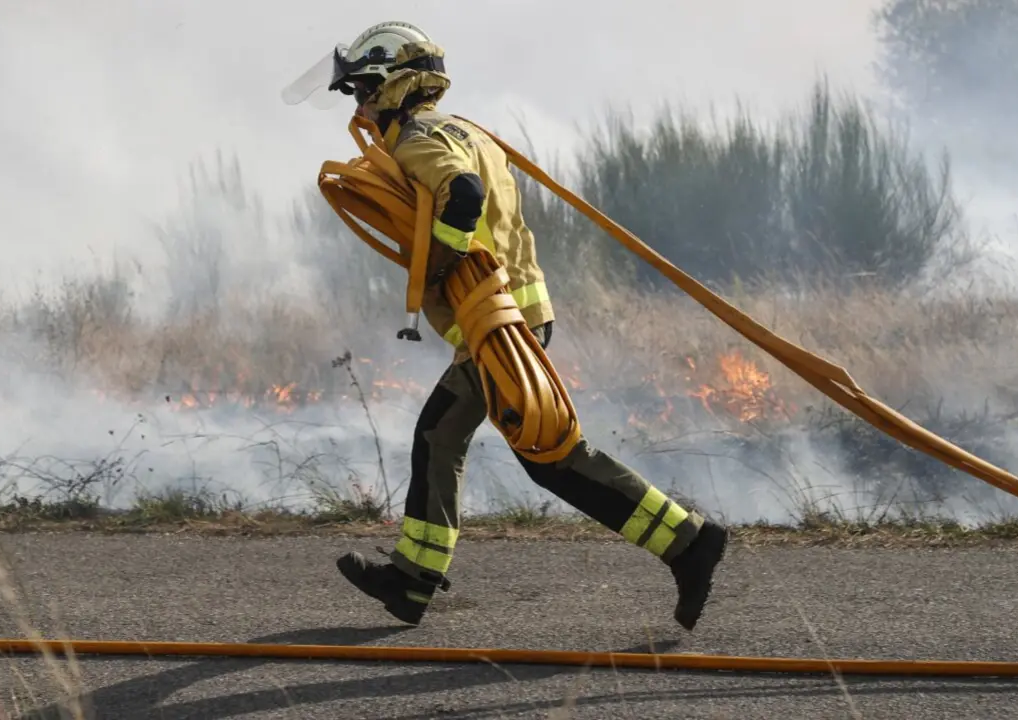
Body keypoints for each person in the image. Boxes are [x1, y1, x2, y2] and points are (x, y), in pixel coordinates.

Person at [283, 21, 728, 630]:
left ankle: (688, 541)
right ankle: (413, 580)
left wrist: (438, 264)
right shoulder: (465, 130)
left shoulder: (417, 138)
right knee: (444, 435)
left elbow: (462, 196)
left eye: (363, 89)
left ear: (394, 85)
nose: (359, 105)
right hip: (511, 314)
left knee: (550, 457)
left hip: (495, 322)